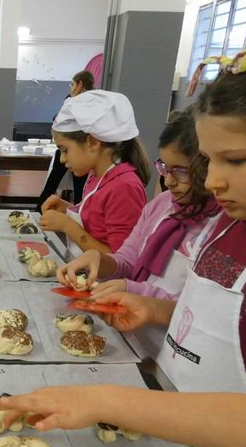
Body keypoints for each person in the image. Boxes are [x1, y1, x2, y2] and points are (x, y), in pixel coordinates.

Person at [0, 39, 246, 447]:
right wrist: (156, 310)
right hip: (179, 421)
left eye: (236, 160)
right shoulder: (230, 223)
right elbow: (217, 318)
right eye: (209, 162)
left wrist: (102, 399)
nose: (212, 182)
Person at [58, 108, 220, 301]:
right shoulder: (161, 206)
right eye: (164, 168)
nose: (168, 182)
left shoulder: (221, 227)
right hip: (130, 324)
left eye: (180, 171)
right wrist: (100, 260)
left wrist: (132, 289)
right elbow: (127, 260)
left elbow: (194, 307)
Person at [39, 90, 150, 257]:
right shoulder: (96, 175)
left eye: (65, 150)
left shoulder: (124, 187)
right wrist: (67, 209)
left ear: (92, 142)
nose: (62, 159)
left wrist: (68, 225)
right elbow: (98, 223)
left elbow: (119, 261)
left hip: (104, 282)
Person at [34, 71, 94, 212]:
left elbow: (58, 121)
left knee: (76, 188)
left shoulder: (79, 102)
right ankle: (40, 211)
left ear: (80, 84)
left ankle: (77, 215)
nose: (71, 88)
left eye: (72, 84)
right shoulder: (74, 100)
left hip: (78, 152)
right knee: (66, 187)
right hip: (76, 150)